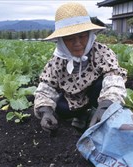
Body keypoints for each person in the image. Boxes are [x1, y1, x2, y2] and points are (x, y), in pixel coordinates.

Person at [34, 2, 127, 132]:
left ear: (89, 35)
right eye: (69, 39)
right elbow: (46, 88)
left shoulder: (101, 52)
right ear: (61, 41)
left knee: (100, 85)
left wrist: (105, 106)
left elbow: (114, 80)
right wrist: (45, 111)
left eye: (82, 36)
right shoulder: (57, 61)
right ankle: (82, 115)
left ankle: (98, 113)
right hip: (74, 101)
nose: (77, 43)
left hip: (97, 97)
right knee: (60, 108)